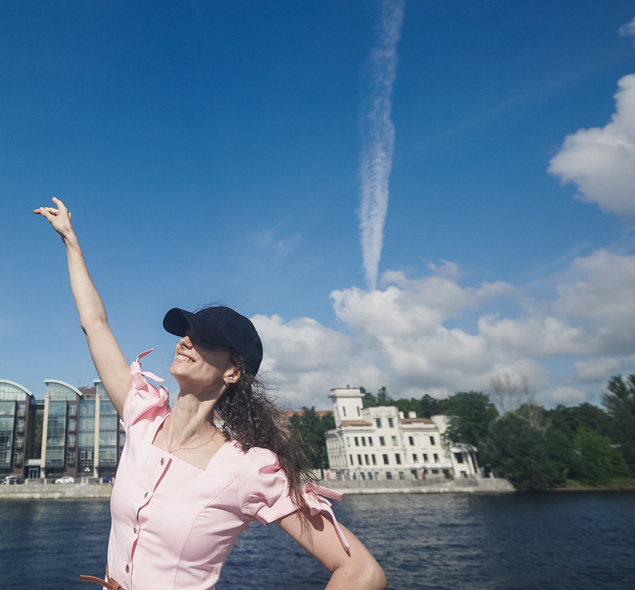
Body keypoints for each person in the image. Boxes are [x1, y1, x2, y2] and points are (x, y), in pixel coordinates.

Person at [35, 197, 386, 590]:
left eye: (204, 340)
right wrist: (70, 239)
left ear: (233, 371)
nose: (185, 341)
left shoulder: (247, 470)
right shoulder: (141, 418)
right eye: (187, 333)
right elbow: (95, 324)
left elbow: (362, 572)